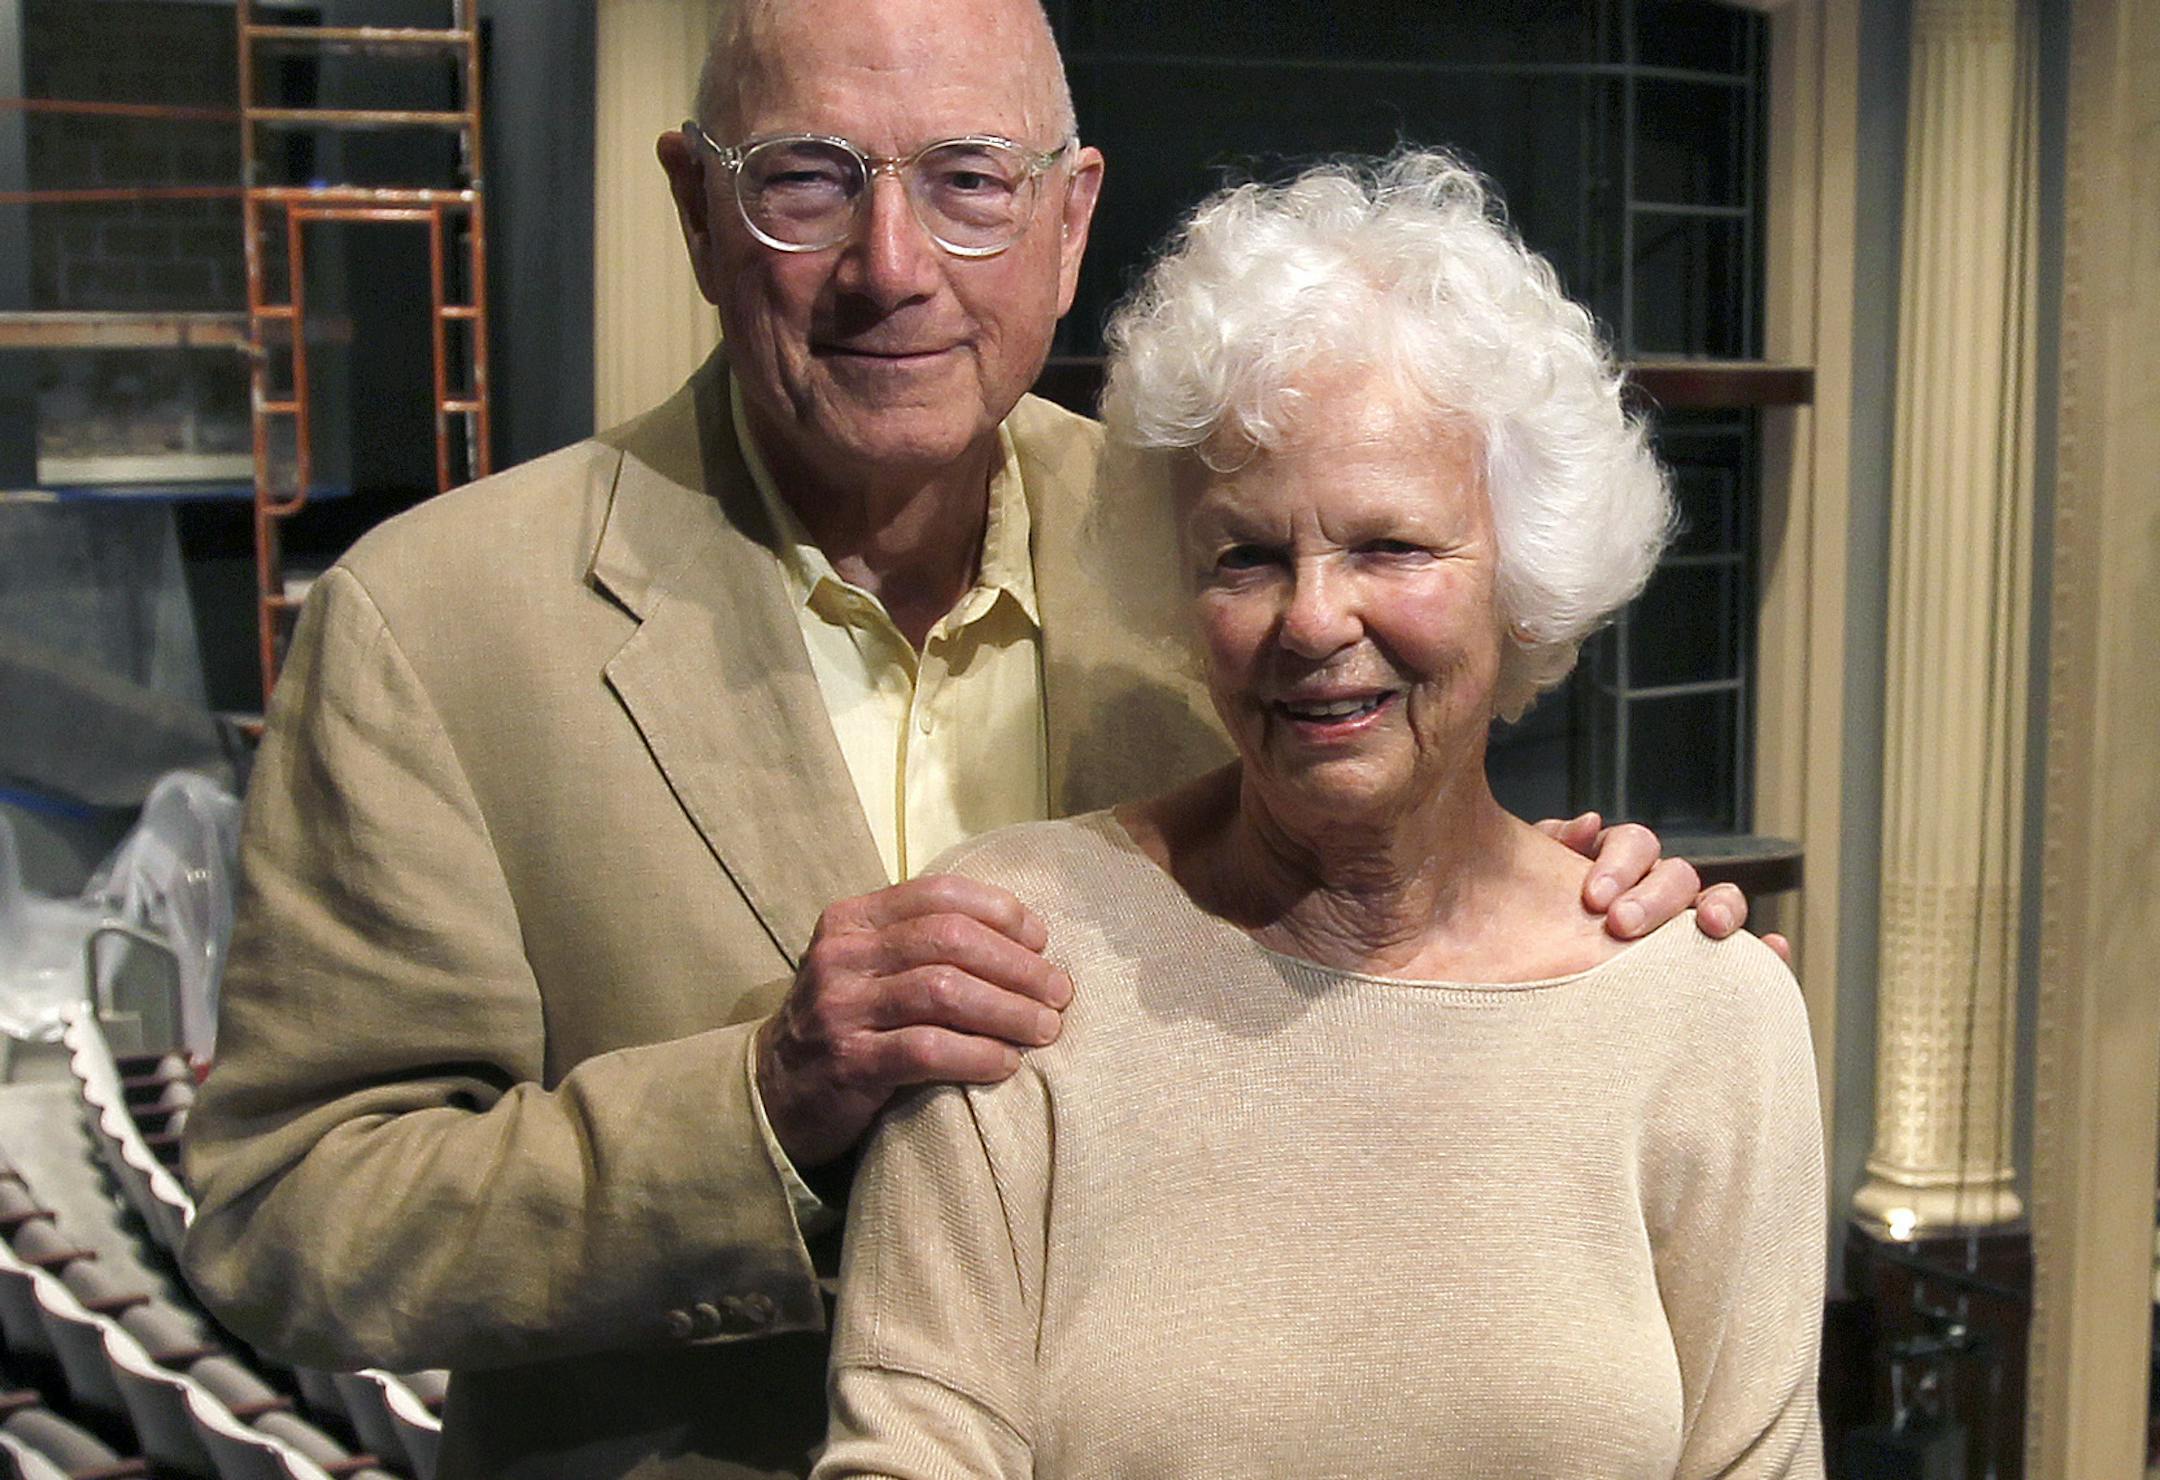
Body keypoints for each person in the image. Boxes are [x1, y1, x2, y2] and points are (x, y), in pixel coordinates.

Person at [177, 4, 1767, 1477]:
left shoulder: (1214, 539)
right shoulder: (435, 622)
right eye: (806, 179)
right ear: (695, 208)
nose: (892, 262)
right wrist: (762, 1103)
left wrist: (1548, 908)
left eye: (970, 183)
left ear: (1072, 219)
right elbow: (286, 1226)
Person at [814, 151, 1825, 1480]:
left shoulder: (1704, 1010)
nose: (1312, 620)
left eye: (1391, 546)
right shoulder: (1011, 952)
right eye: (1247, 555)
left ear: (1523, 570)